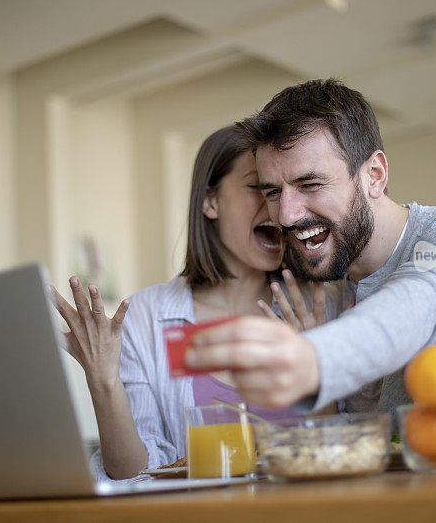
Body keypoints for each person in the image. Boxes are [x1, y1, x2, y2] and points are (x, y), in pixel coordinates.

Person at [185, 79, 436, 420]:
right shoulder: (328, 291)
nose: (286, 216)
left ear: (375, 175)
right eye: (273, 192)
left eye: (310, 184)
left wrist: (316, 358)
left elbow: (423, 302)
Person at [51, 125, 351, 480]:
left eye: (279, 190)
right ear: (210, 201)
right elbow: (136, 473)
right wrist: (103, 381)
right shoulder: (145, 318)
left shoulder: (326, 305)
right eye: (260, 187)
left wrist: (319, 370)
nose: (280, 207)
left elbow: (350, 451)